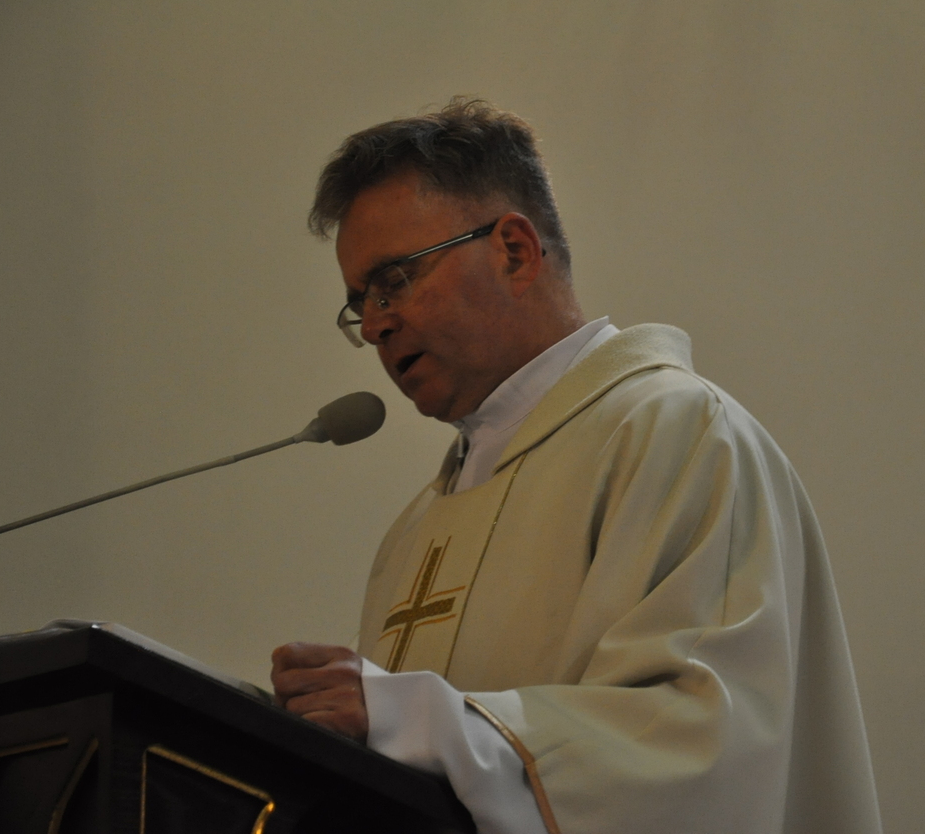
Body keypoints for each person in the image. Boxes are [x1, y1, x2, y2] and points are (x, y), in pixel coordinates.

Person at [270, 99, 882, 834]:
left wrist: (416, 718)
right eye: (359, 303)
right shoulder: (417, 527)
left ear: (514, 251)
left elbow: (695, 751)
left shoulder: (675, 433)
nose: (375, 324)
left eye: (394, 281)